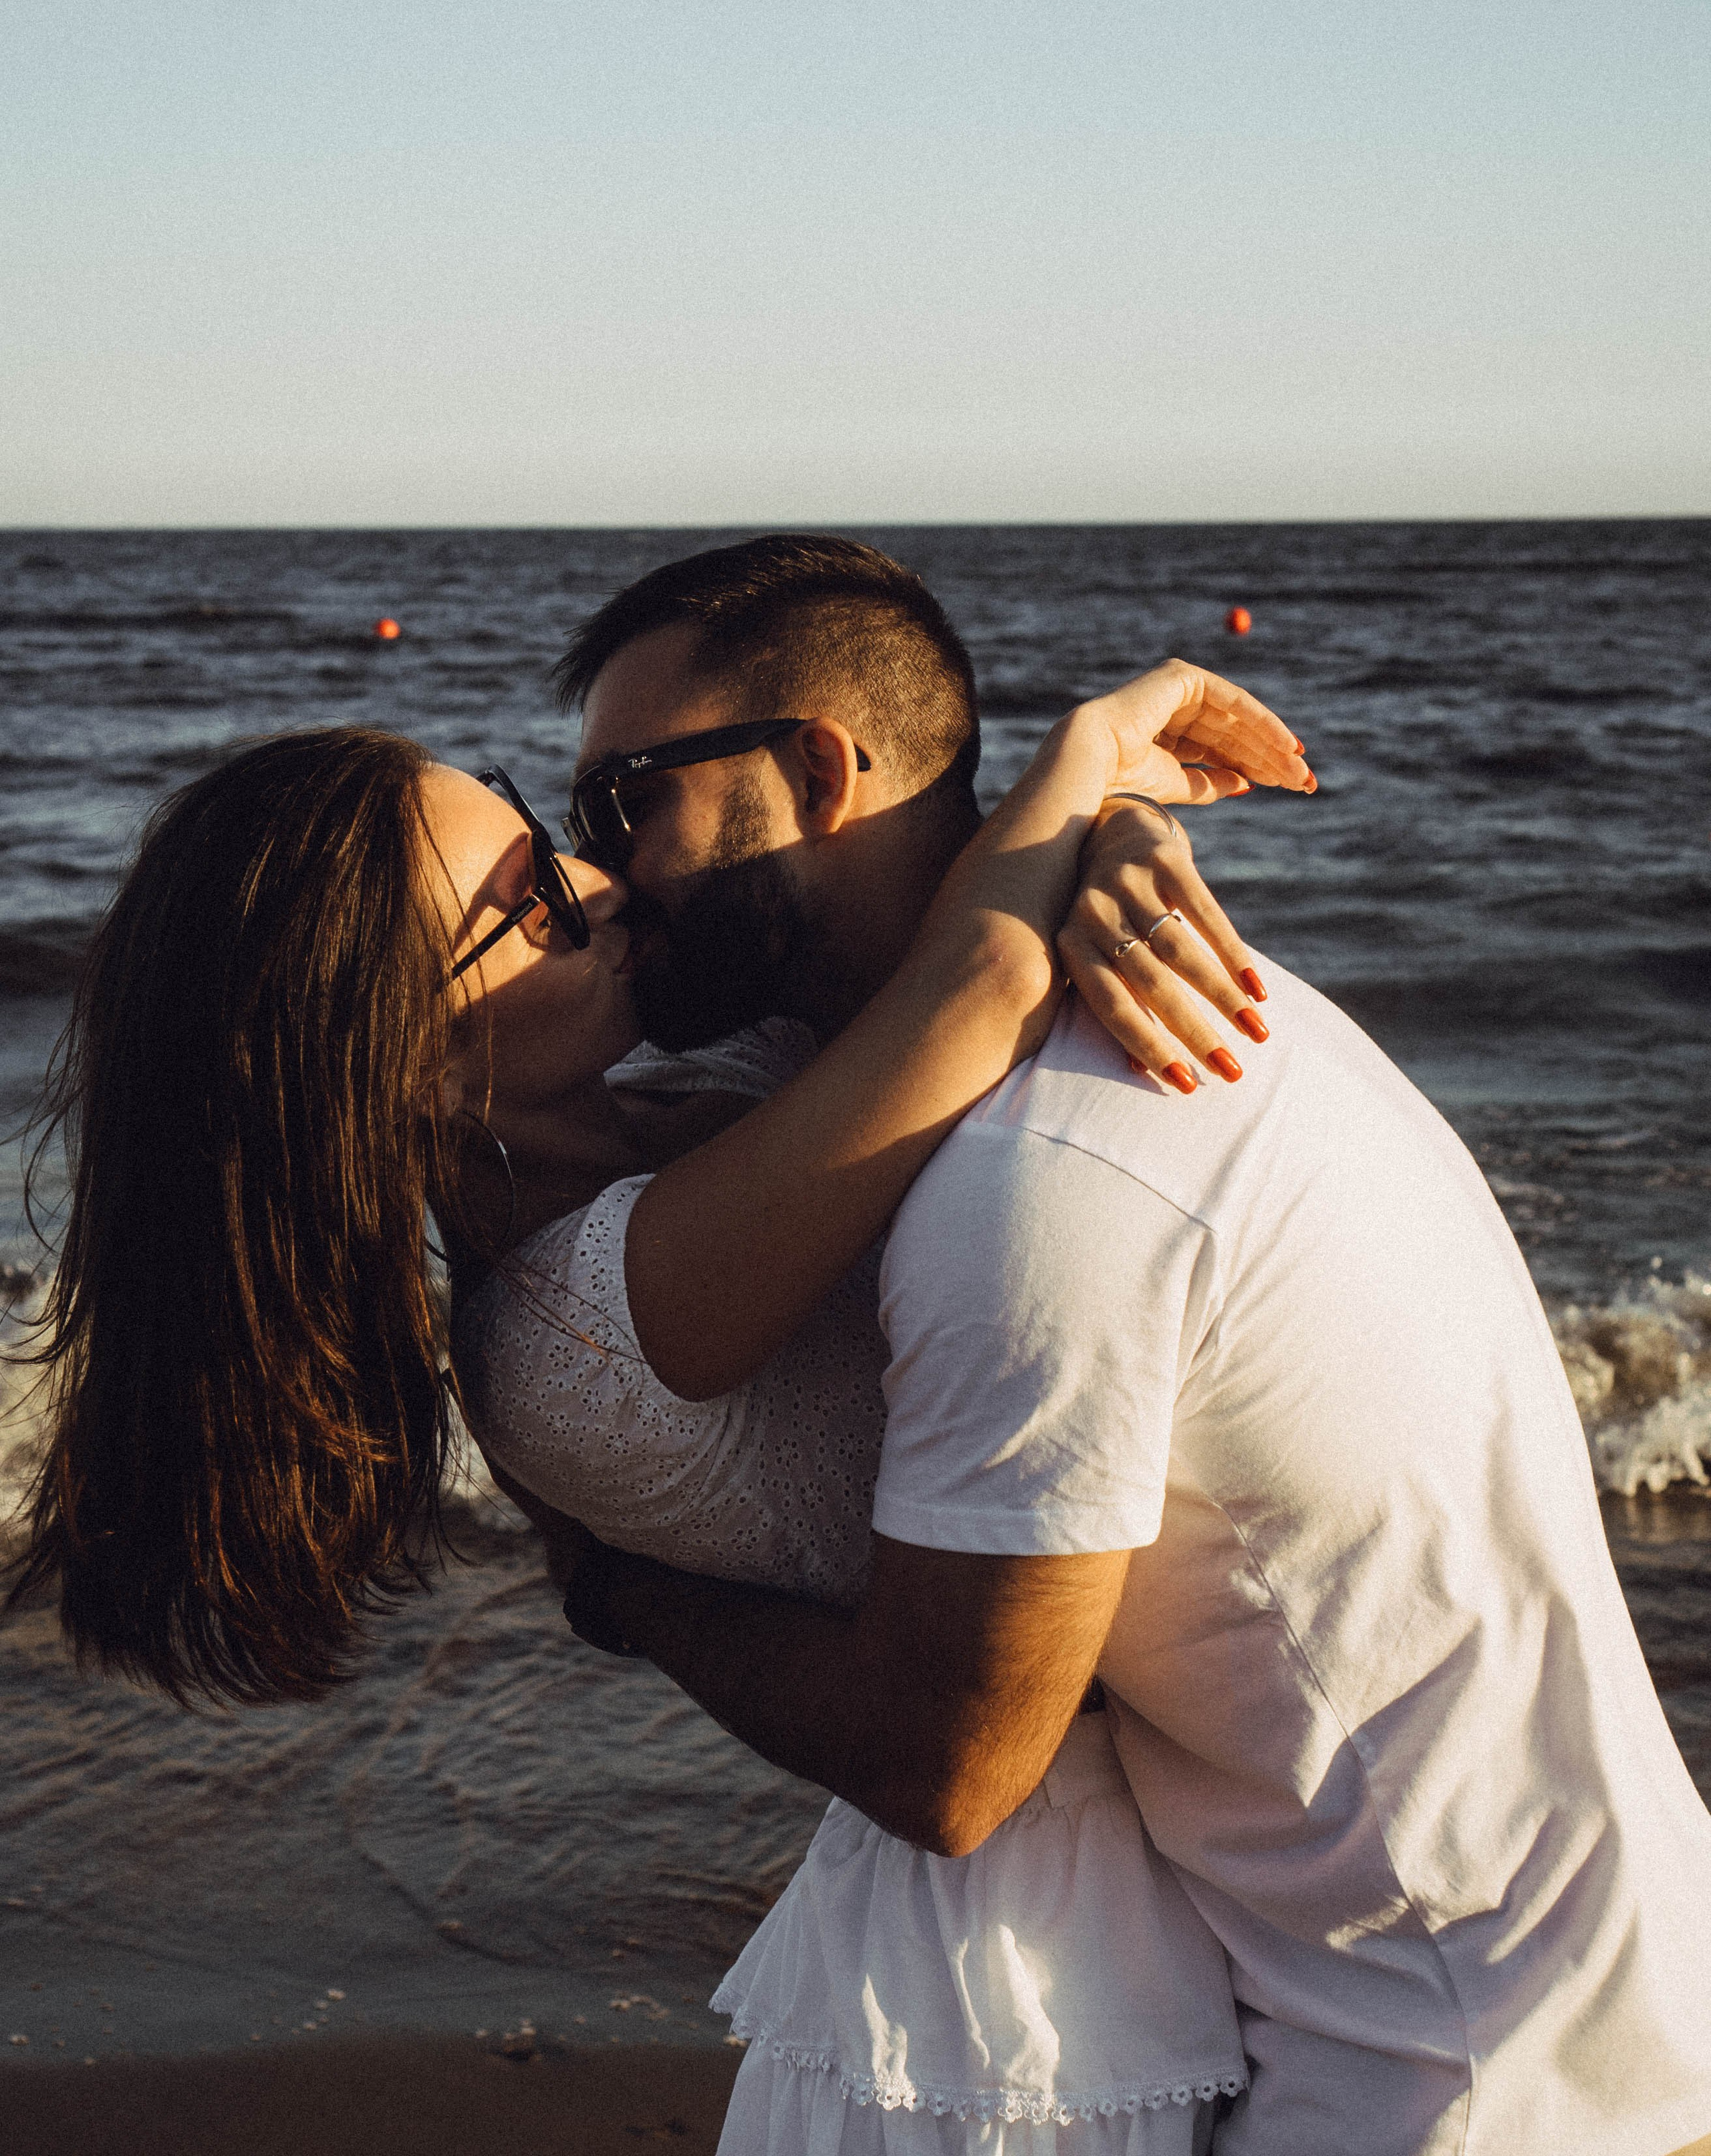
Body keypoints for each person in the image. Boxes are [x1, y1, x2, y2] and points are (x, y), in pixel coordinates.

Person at [7, 654, 1303, 2147]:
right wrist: (1090, 754)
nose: (594, 879)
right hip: (1025, 1972)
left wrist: (1126, 842)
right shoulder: (573, 1322)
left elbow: (926, 929)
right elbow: (986, 979)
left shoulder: (696, 1090)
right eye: (530, 907)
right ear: (405, 1072)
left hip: (1154, 1848)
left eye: (528, 821)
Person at [538, 534, 1711, 2156]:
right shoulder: (1147, 1032)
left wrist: (627, 1594)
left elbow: (948, 1761)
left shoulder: (1041, 1179)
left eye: (625, 803)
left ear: (815, 770)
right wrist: (1098, 817)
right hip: (1553, 1999)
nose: (596, 876)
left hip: (1457, 2079)